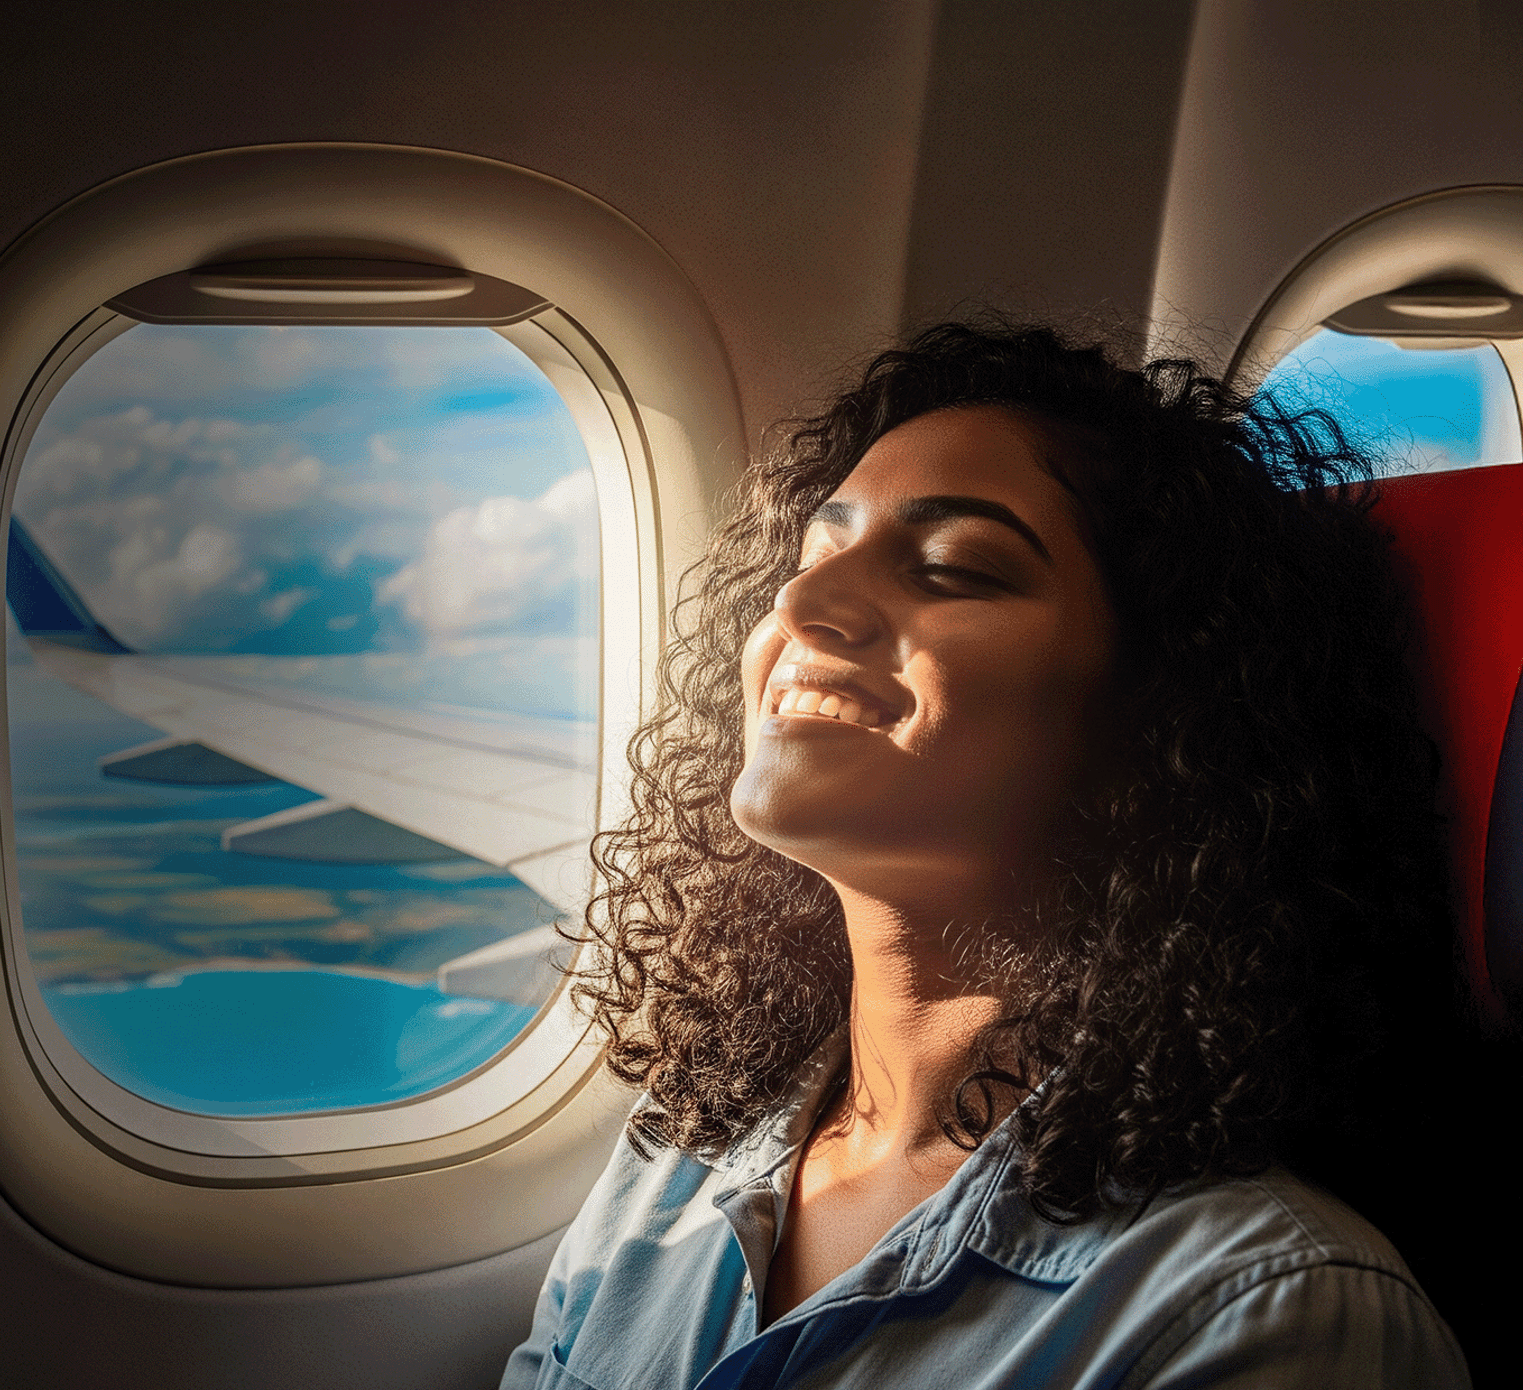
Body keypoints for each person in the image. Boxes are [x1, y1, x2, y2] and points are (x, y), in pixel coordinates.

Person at [499, 322, 1472, 1389]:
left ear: (1158, 725)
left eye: (954, 568)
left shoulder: (1260, 1308)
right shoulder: (677, 1151)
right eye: (817, 552)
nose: (802, 604)